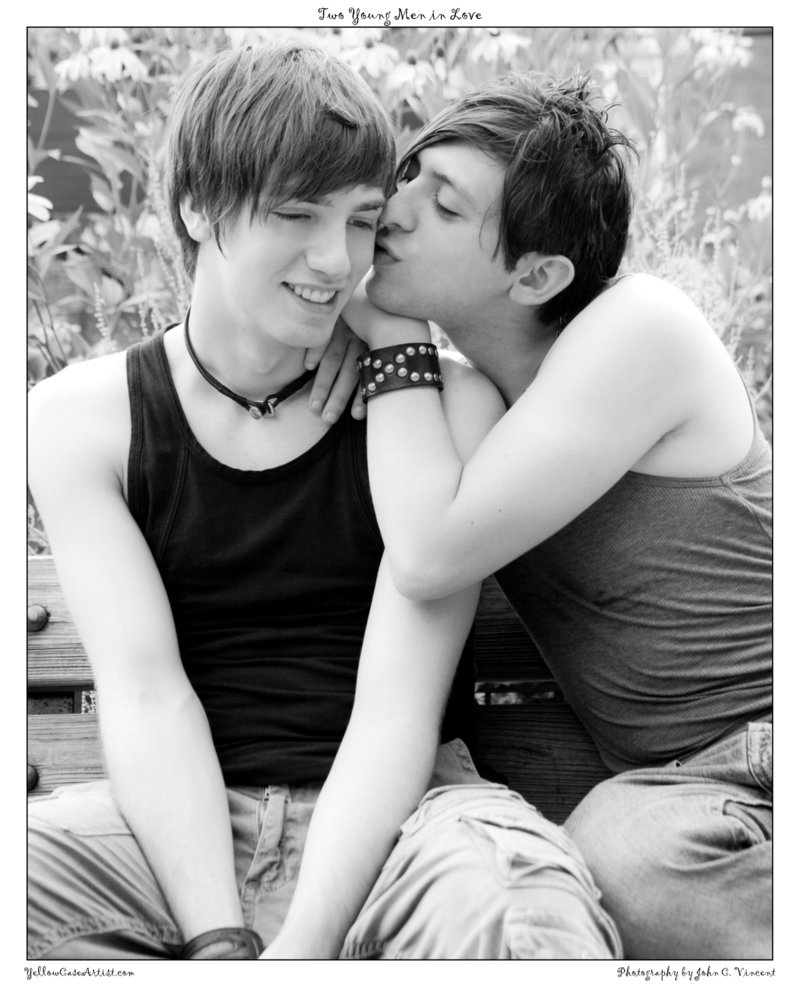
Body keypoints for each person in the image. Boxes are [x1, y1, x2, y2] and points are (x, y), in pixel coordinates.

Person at [26, 43, 622, 961]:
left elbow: (396, 711)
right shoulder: (82, 420)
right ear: (197, 205)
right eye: (297, 214)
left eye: (361, 219)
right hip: (173, 828)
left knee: (522, 914)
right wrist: (221, 940)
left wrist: (299, 952)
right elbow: (145, 694)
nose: (335, 259)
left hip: (409, 823)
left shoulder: (443, 406)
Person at [338, 71, 772, 959]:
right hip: (683, 792)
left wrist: (389, 340)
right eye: (411, 171)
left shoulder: (640, 329)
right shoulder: (482, 393)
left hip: (761, 749)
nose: (394, 207)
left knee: (625, 856)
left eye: (444, 205)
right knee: (614, 848)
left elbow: (425, 553)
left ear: (537, 274)